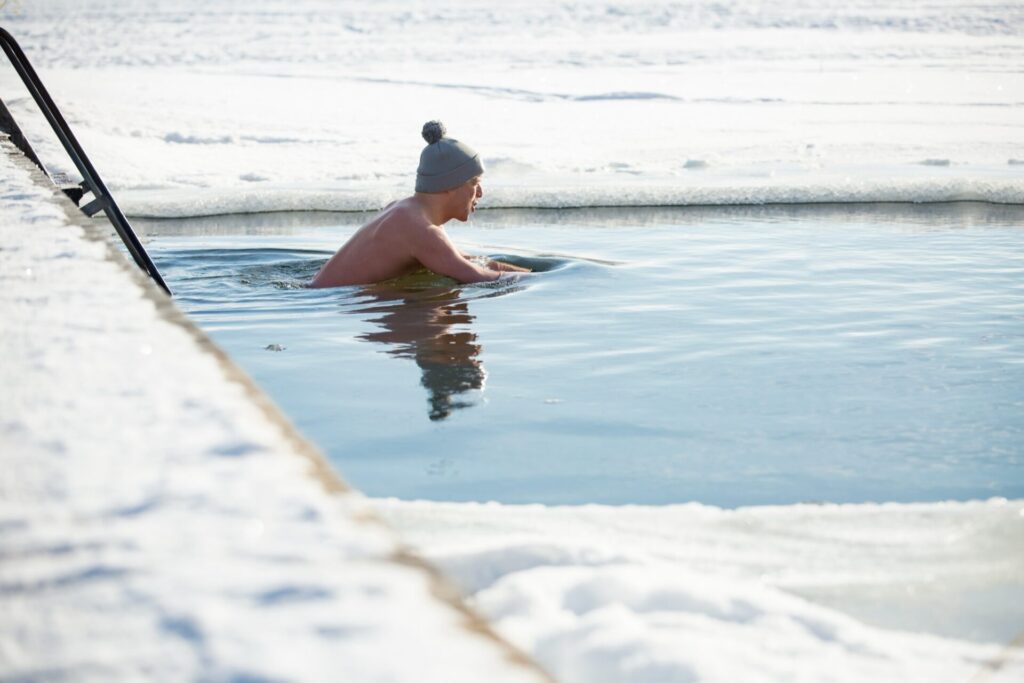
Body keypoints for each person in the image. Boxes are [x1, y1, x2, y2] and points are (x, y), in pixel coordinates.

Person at [310, 121, 529, 288]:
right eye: (474, 183)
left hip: (321, 294)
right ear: (449, 184)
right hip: (324, 303)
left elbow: (473, 262)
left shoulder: (407, 211)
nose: (480, 192)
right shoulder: (419, 229)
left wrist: (536, 273)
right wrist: (541, 285)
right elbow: (476, 277)